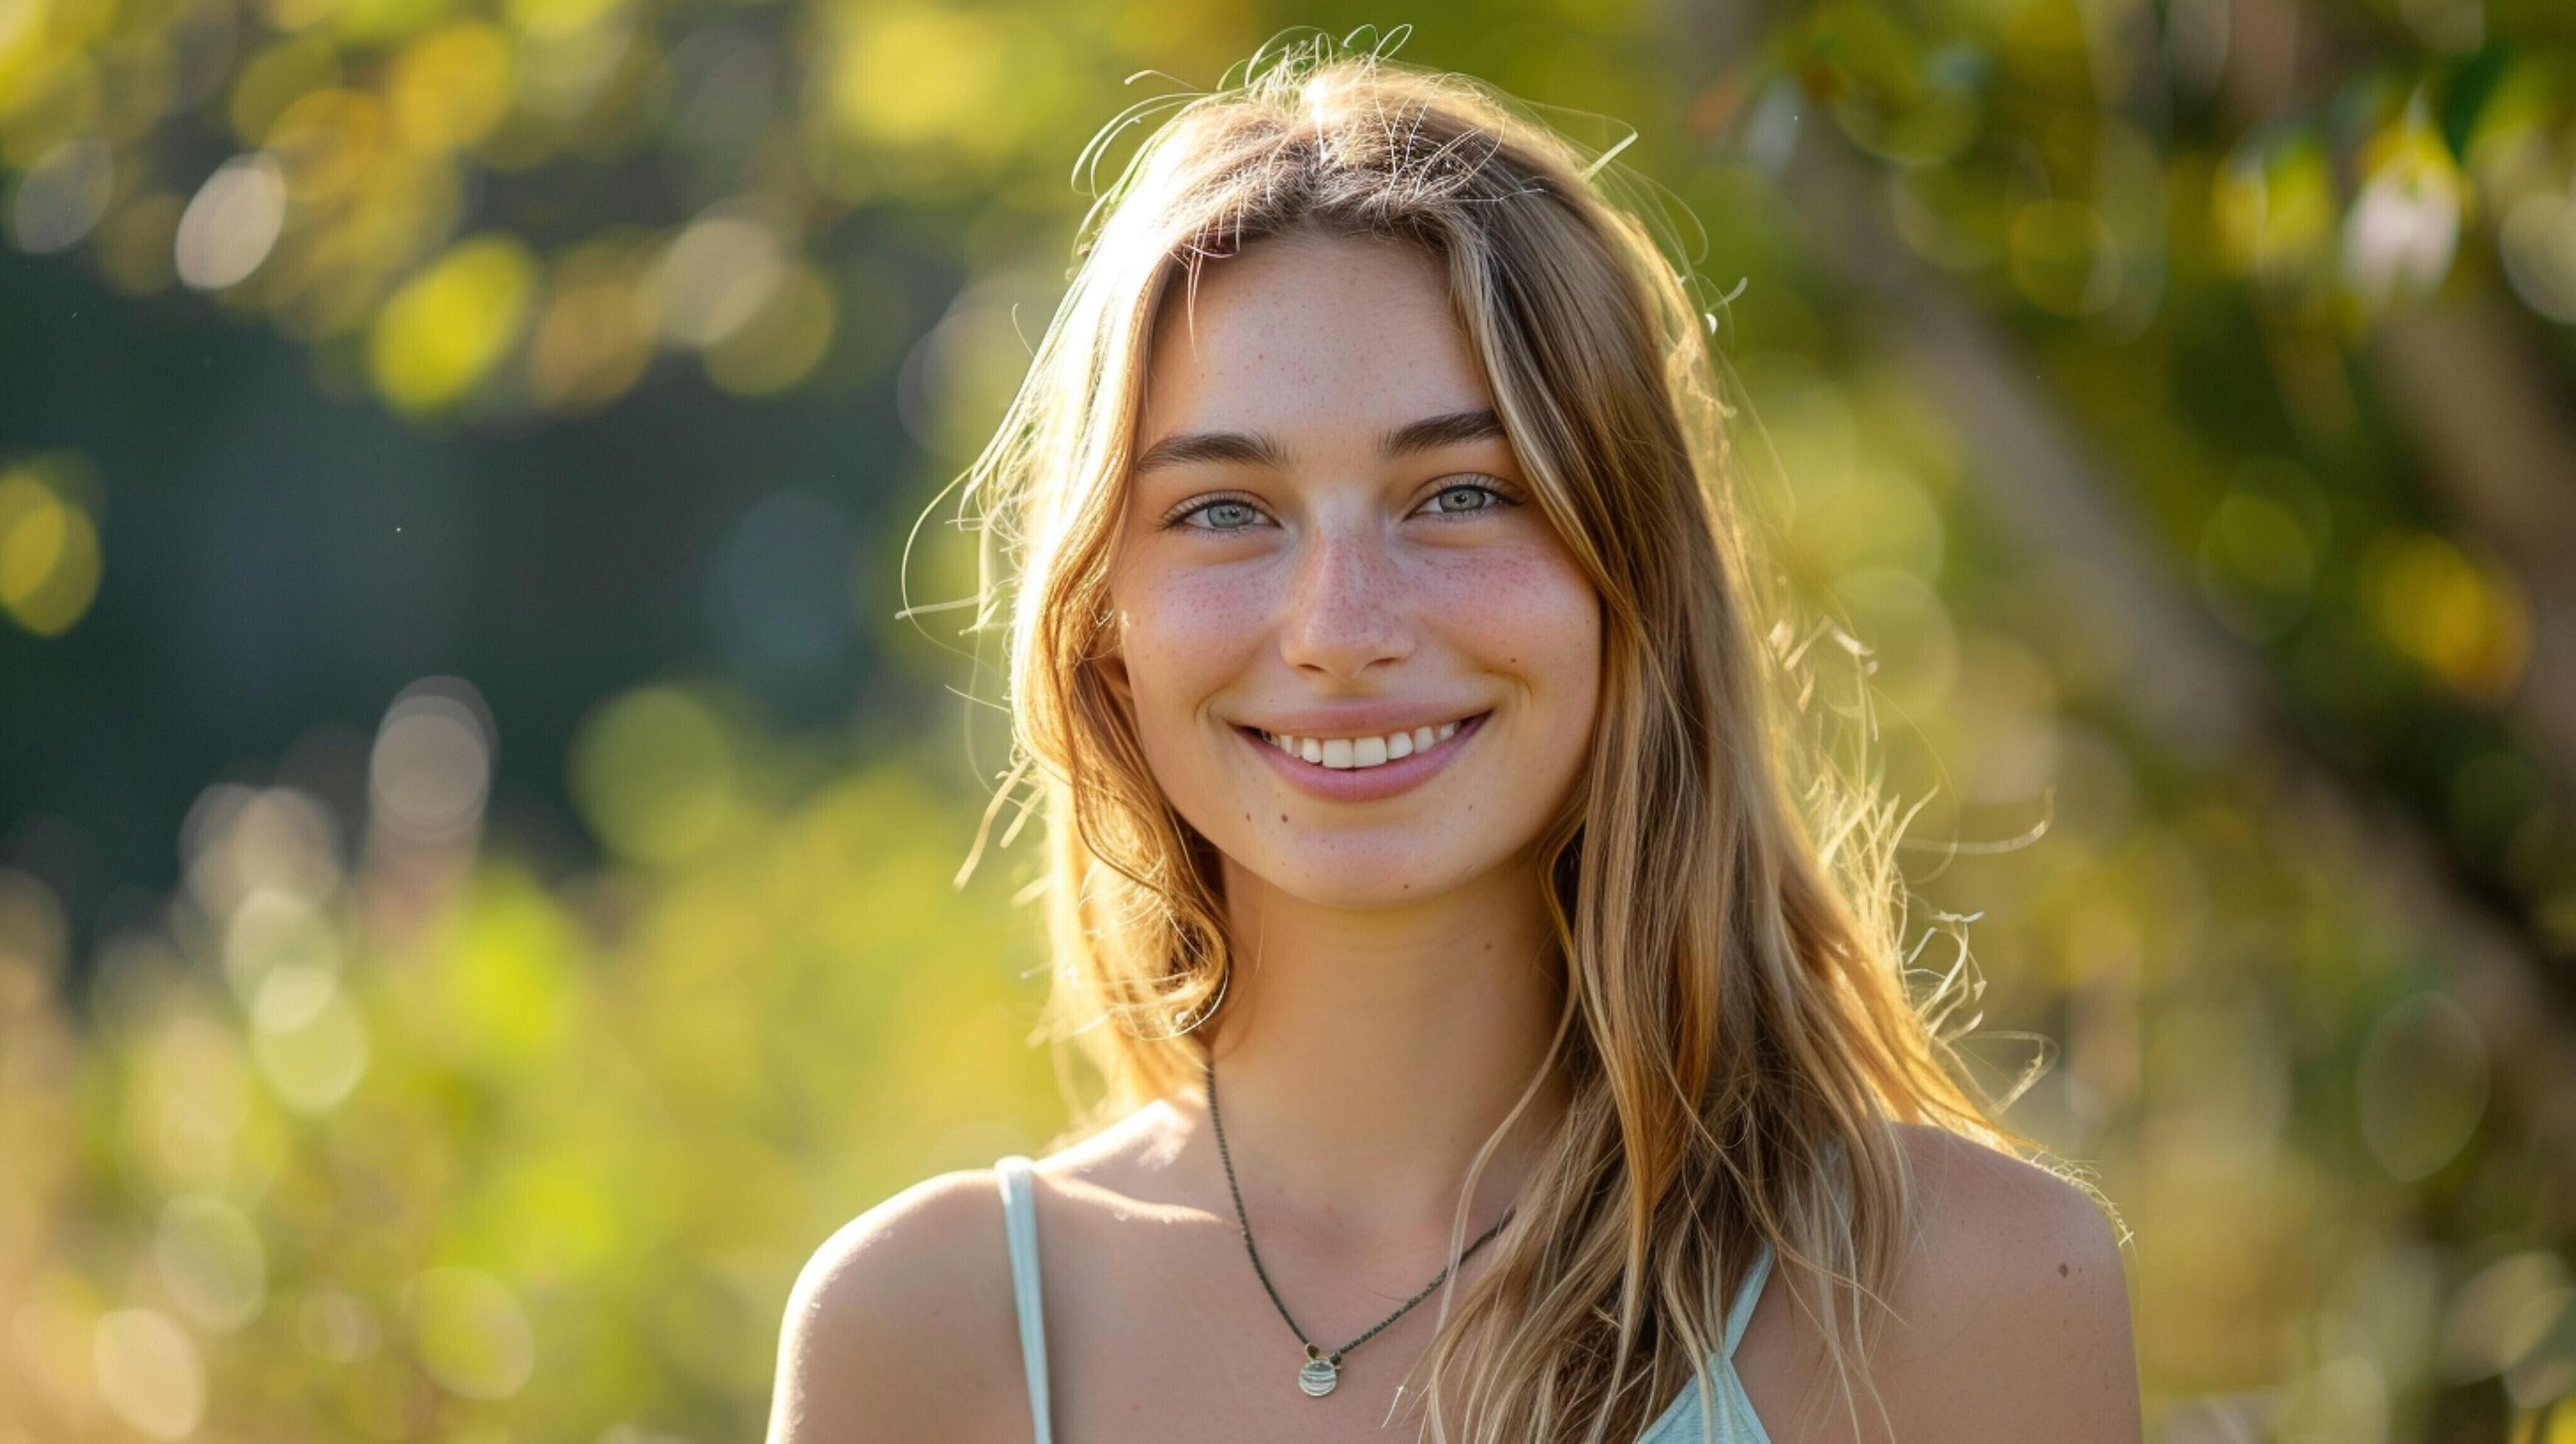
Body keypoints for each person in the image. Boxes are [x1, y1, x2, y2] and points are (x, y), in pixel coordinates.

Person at [768, 32, 2143, 1444]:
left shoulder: (1964, 1292)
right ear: (1101, 622)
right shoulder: (924, 1332)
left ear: (1630, 579)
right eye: (1226, 511)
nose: (1339, 628)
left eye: (1462, 493)